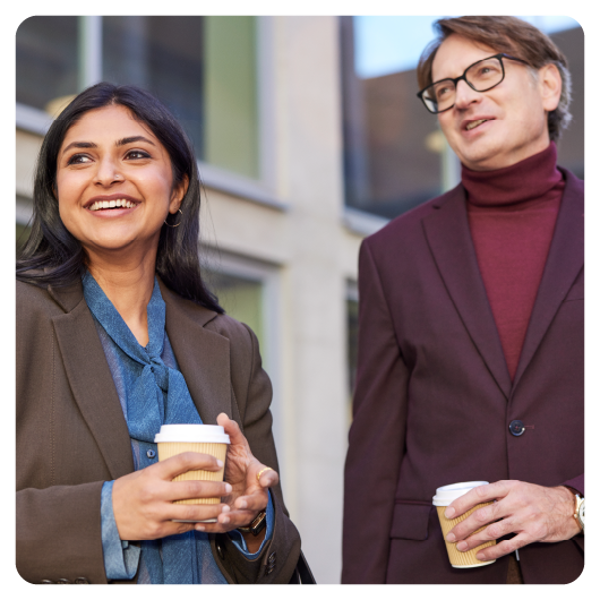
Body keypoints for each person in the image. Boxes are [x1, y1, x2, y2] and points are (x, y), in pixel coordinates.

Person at [13, 83, 306, 587]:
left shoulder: (232, 343)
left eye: (135, 154)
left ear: (177, 191)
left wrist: (253, 518)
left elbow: (277, 559)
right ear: (56, 190)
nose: (106, 175)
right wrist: (108, 514)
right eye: (80, 159)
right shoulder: (20, 316)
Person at [342, 14, 586, 587]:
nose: (462, 99)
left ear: (548, 85)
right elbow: (375, 453)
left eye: (484, 73)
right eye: (444, 90)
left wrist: (572, 505)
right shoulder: (390, 253)